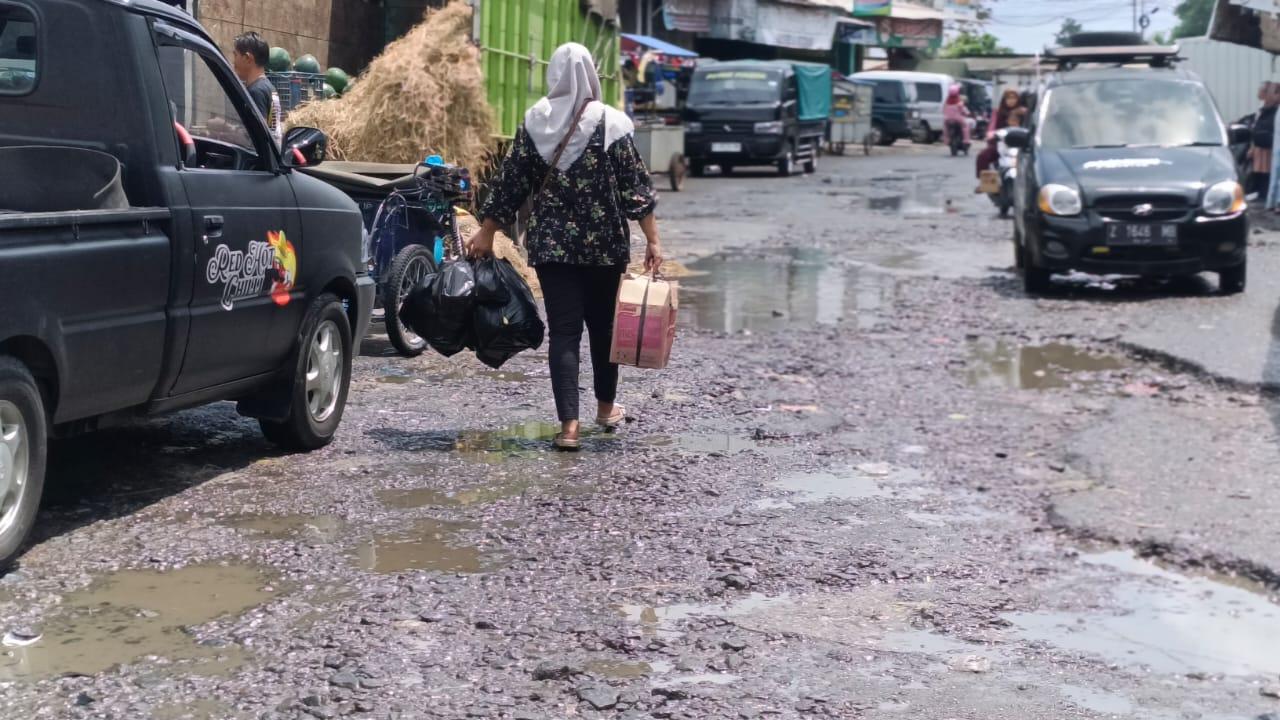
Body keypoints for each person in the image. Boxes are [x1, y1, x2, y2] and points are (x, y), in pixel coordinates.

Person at [468, 43, 663, 451]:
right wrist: (654, 241)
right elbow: (636, 191)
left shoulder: (535, 121)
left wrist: (486, 231)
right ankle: (606, 408)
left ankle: (569, 428)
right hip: (605, 248)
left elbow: (509, 183)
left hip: (552, 248)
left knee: (565, 333)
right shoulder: (613, 123)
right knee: (604, 331)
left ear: (553, 76)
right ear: (591, 74)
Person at [231, 31, 282, 144]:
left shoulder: (256, 91)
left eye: (235, 55)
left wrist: (225, 131)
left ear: (248, 58)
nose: (233, 61)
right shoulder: (268, 87)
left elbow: (257, 134)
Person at [975, 88, 1024, 182]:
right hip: (1001, 144)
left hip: (1020, 146)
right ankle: (987, 183)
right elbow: (994, 129)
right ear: (1004, 100)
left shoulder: (1023, 113)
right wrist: (992, 136)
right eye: (1008, 98)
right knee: (983, 156)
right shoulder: (999, 113)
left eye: (1014, 98)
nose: (1011, 100)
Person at [1249, 82, 1277, 198]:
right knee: (1259, 172)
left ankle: (1265, 196)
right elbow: (1255, 119)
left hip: (1268, 147)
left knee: (1267, 172)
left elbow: (1267, 125)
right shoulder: (1264, 107)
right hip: (1260, 146)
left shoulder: (1274, 109)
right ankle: (1260, 193)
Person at [942, 84, 971, 149]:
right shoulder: (959, 102)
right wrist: (967, 113)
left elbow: (943, 110)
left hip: (947, 119)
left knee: (945, 129)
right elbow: (964, 110)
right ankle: (966, 140)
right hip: (958, 119)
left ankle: (946, 140)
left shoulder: (946, 102)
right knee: (965, 126)